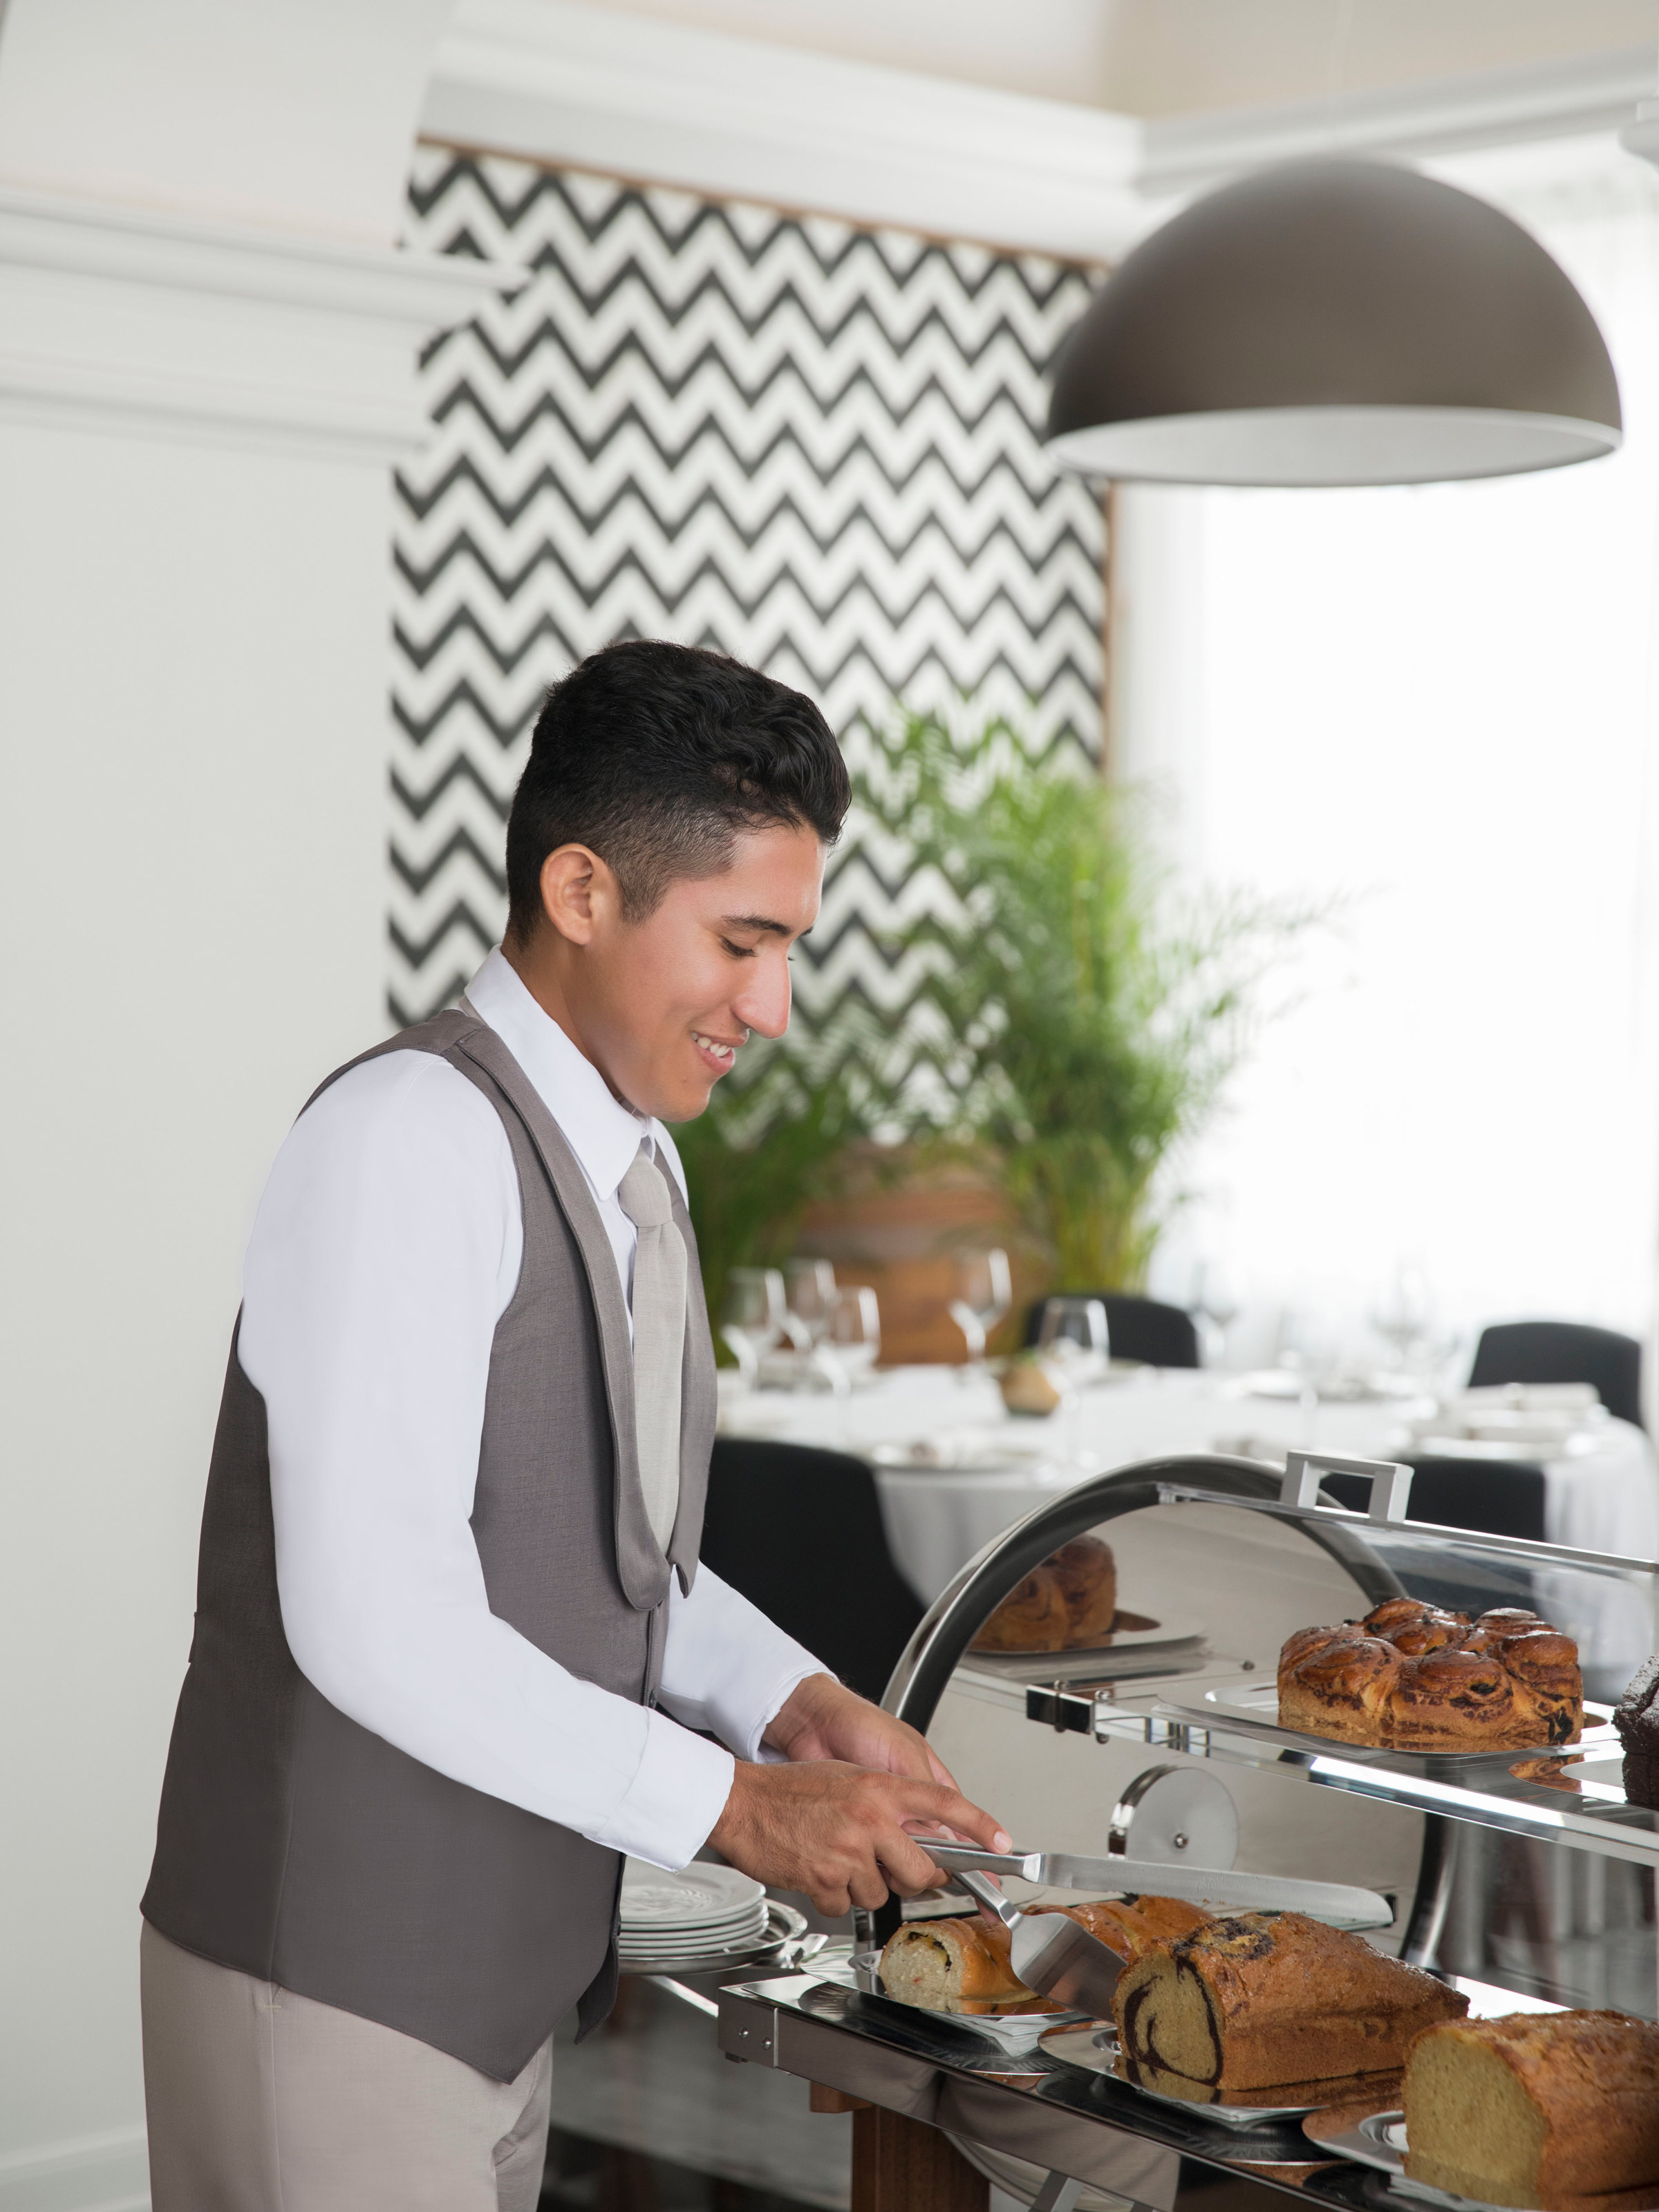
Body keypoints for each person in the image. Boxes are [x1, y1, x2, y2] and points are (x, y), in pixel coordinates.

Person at [138, 640, 1010, 2211]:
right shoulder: (405, 1142)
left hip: (502, 1985)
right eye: (744, 940)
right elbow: (375, 1622)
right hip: (332, 1979)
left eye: (792, 944)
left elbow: (611, 1554)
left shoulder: (633, 1162)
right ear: (584, 891)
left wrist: (793, 1701)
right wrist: (738, 1808)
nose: (778, 1005)